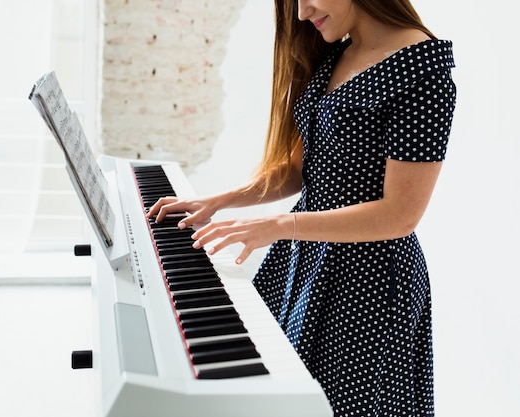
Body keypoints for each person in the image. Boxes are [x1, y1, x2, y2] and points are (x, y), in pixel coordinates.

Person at [148, 0, 456, 415]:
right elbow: (298, 171)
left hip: (369, 286)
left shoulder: (422, 72)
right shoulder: (335, 52)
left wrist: (277, 224)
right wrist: (216, 201)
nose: (300, 14)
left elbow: (400, 214)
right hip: (304, 256)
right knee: (282, 399)